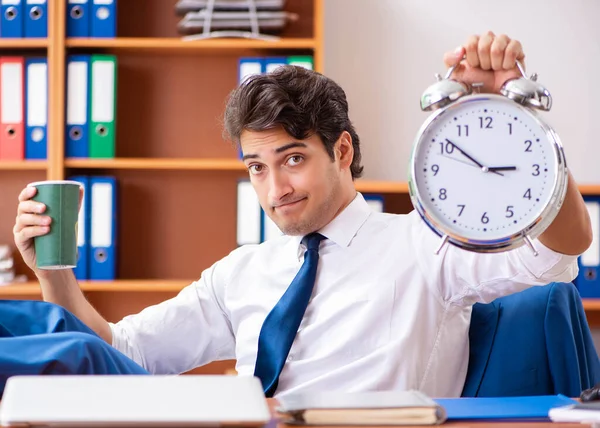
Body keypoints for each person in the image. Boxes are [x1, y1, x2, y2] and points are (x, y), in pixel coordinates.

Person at [12, 31, 592, 398]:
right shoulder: (240, 273)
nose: (274, 188)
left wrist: (512, 110)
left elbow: (561, 247)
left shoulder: (425, 245)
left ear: (341, 151)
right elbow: (119, 353)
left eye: (291, 159)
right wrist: (52, 275)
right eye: (257, 167)